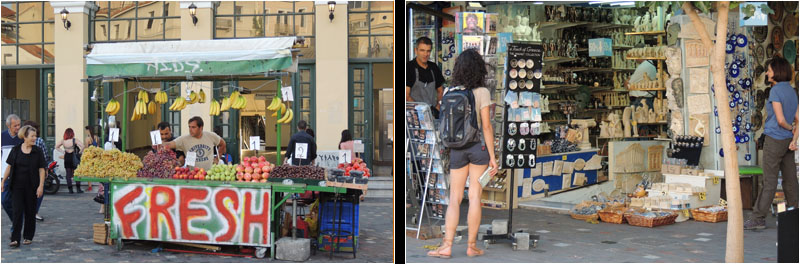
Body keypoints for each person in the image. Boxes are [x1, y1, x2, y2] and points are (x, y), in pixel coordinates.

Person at [428, 49, 498, 259]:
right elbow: (486, 126)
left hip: (457, 149)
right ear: (479, 69)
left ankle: (447, 246)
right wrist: (493, 157)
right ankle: (471, 246)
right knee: (475, 196)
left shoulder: (450, 91)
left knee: (455, 198)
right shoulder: (482, 92)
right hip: (478, 148)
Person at [745, 57, 799, 230]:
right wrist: (794, 138)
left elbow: (782, 120)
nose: (767, 73)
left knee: (769, 181)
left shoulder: (775, 92)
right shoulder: (792, 91)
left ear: (776, 72)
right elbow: (798, 119)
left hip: (775, 139)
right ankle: (794, 213)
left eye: (769, 70)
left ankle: (758, 217)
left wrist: (789, 128)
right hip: (787, 142)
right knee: (790, 179)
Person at [2, 125, 46, 248]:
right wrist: (3, 181)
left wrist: (41, 186)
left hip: (32, 186)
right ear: (25, 137)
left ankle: (28, 236)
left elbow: (42, 169)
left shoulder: (37, 151)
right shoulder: (16, 150)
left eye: (35, 136)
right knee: (17, 212)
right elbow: (9, 167)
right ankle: (15, 238)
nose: (34, 138)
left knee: (30, 212)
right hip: (17, 186)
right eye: (32, 136)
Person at [159, 117, 226, 171]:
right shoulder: (184, 139)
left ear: (201, 128)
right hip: (192, 175)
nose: (190, 129)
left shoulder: (210, 136)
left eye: (193, 127)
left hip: (209, 174)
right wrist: (160, 144)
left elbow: (223, 144)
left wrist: (218, 158)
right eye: (189, 127)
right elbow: (170, 144)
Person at [407, 37, 445, 119]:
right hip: (414, 116)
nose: (425, 54)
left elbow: (440, 91)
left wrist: (438, 107)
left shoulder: (433, 67)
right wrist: (420, 111)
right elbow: (406, 95)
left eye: (428, 51)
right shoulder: (409, 68)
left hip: (432, 116)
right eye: (422, 50)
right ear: (416, 50)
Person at [23, 121, 47, 222]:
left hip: (25, 170)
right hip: (37, 170)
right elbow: (45, 156)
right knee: (39, 191)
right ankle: (34, 211)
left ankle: (28, 211)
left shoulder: (22, 141)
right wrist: (46, 170)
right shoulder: (40, 141)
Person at [2, 114, 22, 224]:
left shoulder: (22, 138)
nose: (18, 127)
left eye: (19, 125)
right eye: (15, 126)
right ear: (8, 125)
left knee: (18, 202)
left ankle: (16, 227)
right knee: (4, 200)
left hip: (19, 175)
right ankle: (16, 221)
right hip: (4, 174)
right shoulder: (2, 136)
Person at [54, 128, 84, 194]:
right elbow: (82, 146)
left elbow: (56, 147)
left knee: (68, 174)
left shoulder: (63, 141)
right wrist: (79, 152)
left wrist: (63, 152)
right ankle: (78, 188)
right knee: (77, 173)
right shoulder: (74, 140)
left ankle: (70, 189)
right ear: (72, 133)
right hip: (74, 157)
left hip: (67, 157)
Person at [84, 126, 99, 192]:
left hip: (90, 156)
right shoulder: (96, 137)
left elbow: (86, 148)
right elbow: (98, 147)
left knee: (89, 171)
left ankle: (90, 186)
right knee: (96, 169)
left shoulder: (87, 139)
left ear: (88, 131)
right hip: (96, 155)